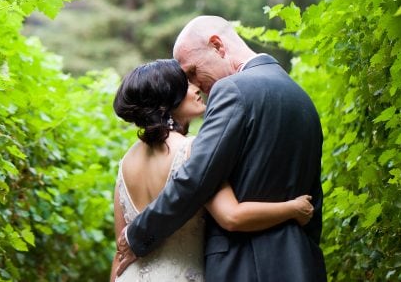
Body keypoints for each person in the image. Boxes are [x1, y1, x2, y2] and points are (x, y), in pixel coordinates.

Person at [115, 16, 326, 281]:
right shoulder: (302, 98)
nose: (196, 85)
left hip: (243, 266)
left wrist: (136, 235)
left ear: (217, 45)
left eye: (192, 71)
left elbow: (196, 177)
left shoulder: (232, 90)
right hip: (300, 261)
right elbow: (313, 198)